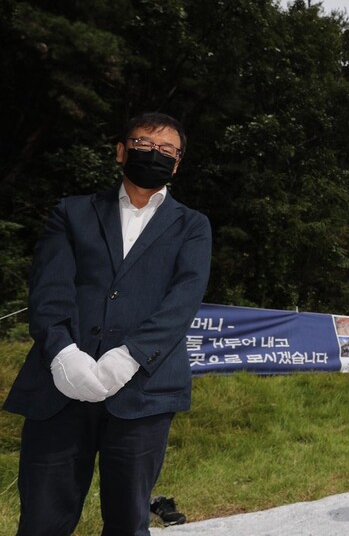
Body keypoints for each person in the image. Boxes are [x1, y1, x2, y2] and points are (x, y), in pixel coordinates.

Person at [3, 112, 212, 536]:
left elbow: (182, 301)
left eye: (167, 150)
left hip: (143, 392)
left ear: (177, 163)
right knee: (42, 519)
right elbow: (49, 290)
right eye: (144, 145)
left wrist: (130, 357)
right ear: (121, 151)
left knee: (128, 521)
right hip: (58, 386)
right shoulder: (72, 212)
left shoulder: (192, 226)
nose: (155, 154)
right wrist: (62, 354)